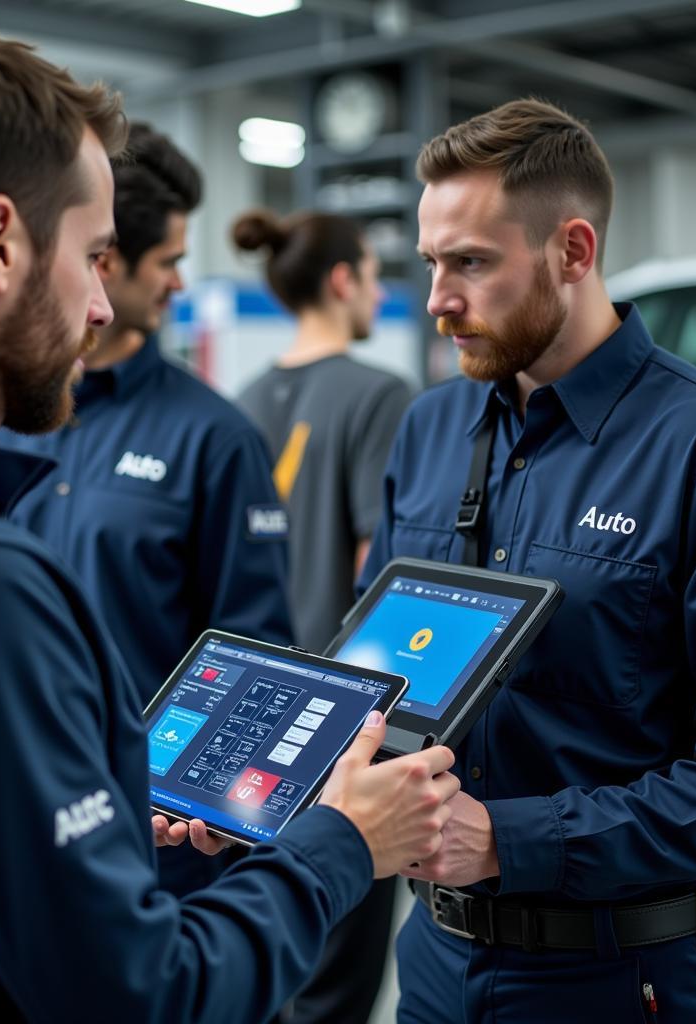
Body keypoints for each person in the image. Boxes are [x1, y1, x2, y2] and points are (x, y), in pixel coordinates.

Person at [0, 24, 462, 1023]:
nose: (96, 306)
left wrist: (101, 802)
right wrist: (337, 842)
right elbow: (146, 996)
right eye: (91, 255)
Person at [363, 97, 696, 1023]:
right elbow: (372, 682)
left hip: (627, 980)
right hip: (434, 965)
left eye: (471, 263)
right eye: (430, 264)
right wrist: (251, 793)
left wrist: (509, 838)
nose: (437, 301)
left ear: (573, 252)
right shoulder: (428, 430)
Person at [0, 122, 292, 898]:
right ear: (106, 261)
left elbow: (255, 656)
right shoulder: (3, 418)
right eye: (168, 263)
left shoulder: (216, 437)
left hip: (161, 852)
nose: (177, 284)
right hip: (15, 822)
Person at [232, 208, 413, 1024]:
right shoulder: (379, 395)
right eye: (375, 273)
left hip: (245, 722)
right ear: (343, 282)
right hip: (338, 733)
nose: (380, 290)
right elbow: (376, 571)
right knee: (336, 989)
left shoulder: (238, 404)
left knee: (262, 961)